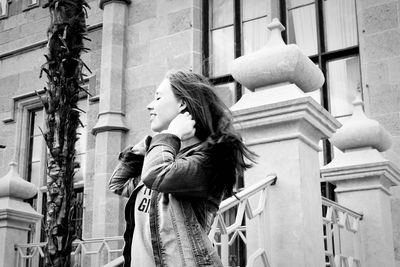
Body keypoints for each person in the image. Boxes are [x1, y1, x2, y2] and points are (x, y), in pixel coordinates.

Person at [109, 70, 256, 267]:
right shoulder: (165, 157)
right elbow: (118, 183)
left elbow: (155, 175)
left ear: (182, 103)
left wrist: (169, 136)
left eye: (158, 97)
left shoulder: (207, 162)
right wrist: (145, 147)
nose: (149, 105)